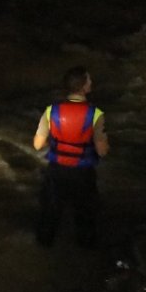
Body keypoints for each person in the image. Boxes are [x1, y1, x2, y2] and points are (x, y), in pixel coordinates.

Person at [33, 66, 110, 249]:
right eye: (89, 80)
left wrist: (58, 144)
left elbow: (37, 144)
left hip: (56, 171)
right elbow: (102, 151)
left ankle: (43, 251)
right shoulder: (96, 114)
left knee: (50, 215)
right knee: (85, 217)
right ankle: (85, 258)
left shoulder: (51, 111)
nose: (91, 83)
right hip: (83, 173)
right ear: (84, 87)